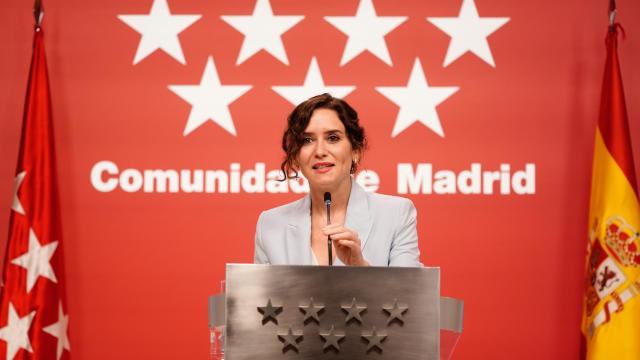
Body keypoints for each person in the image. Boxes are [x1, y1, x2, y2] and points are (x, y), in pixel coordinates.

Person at [254, 93, 422, 267]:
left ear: (355, 150)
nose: (319, 151)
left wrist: (361, 268)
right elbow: (262, 294)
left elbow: (408, 293)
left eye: (333, 138)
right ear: (296, 156)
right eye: (307, 140)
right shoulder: (269, 224)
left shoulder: (396, 214)